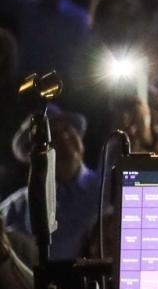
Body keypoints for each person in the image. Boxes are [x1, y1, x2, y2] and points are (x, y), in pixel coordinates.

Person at [1, 105, 100, 260]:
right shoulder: (16, 208)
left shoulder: (109, 189)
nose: (64, 138)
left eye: (67, 129)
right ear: (32, 154)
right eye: (52, 135)